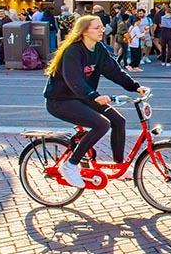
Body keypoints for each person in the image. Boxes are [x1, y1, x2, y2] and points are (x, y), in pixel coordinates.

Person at [43, 15, 148, 188]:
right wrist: (94, 96)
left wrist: (135, 86)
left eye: (102, 27)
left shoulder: (98, 49)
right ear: (84, 31)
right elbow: (74, 81)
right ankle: (70, 165)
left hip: (83, 97)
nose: (102, 30)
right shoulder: (73, 51)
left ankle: (118, 167)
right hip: (60, 100)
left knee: (118, 121)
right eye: (96, 28)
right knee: (101, 124)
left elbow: (114, 71)